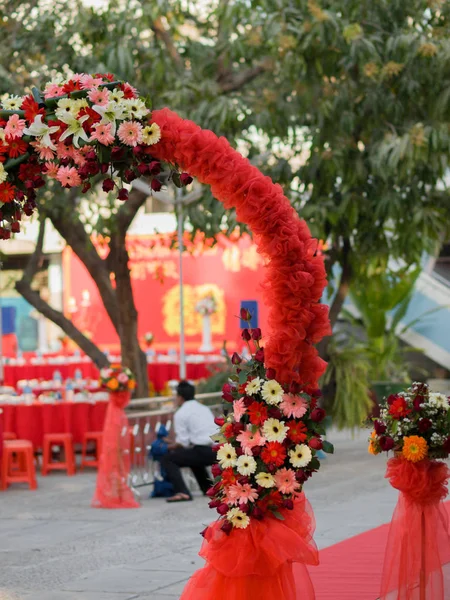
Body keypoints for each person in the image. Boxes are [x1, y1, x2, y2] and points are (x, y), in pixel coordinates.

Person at [162, 380, 217, 503]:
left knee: (168, 458)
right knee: (191, 454)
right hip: (218, 450)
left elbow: (183, 442)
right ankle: (208, 488)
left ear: (180, 397)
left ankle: (182, 492)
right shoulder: (204, 408)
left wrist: (167, 446)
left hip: (203, 451)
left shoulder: (181, 413)